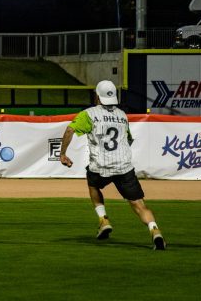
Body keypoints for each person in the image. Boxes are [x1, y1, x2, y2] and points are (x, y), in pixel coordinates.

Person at [59, 80, 166, 250]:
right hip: (124, 166)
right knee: (139, 204)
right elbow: (128, 139)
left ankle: (103, 220)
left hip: (101, 166)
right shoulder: (122, 115)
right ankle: (155, 231)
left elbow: (70, 130)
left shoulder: (89, 114)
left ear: (97, 96)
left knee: (93, 185)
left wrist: (62, 153)